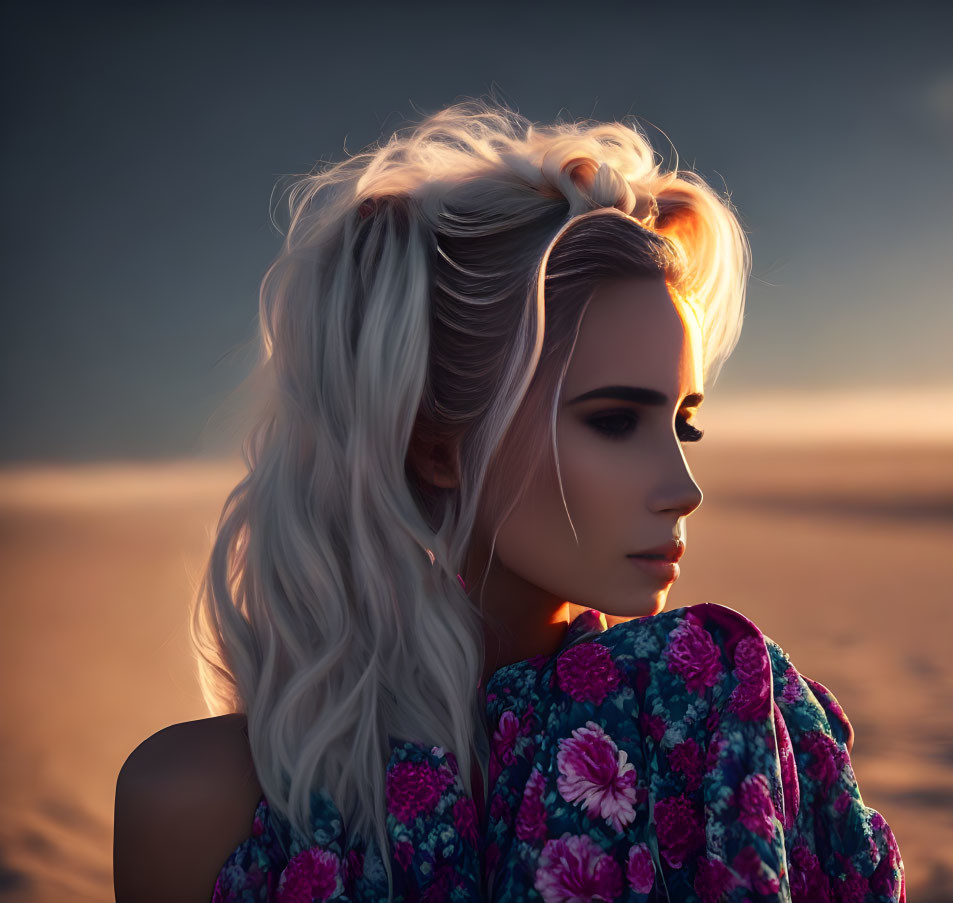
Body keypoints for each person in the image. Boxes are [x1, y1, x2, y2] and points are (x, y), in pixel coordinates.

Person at [113, 96, 906, 902]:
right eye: (612, 420)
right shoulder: (196, 799)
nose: (683, 487)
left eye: (681, 425)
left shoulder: (720, 718)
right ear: (436, 444)